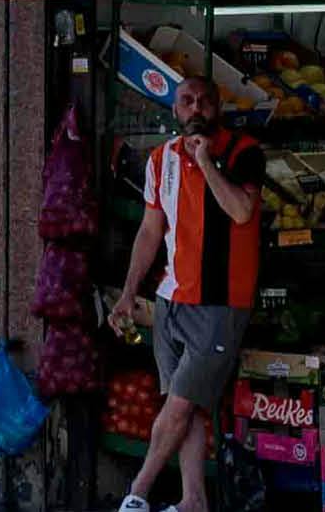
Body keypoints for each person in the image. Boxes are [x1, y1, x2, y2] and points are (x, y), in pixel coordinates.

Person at [109, 63, 263, 512]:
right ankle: (193, 499)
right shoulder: (159, 160)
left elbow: (240, 213)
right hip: (170, 299)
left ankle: (136, 493)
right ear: (175, 109)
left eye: (204, 101)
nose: (196, 108)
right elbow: (150, 231)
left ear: (219, 107)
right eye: (187, 101)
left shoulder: (244, 152)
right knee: (188, 406)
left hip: (219, 303)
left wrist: (205, 161)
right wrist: (126, 292)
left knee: (178, 405)